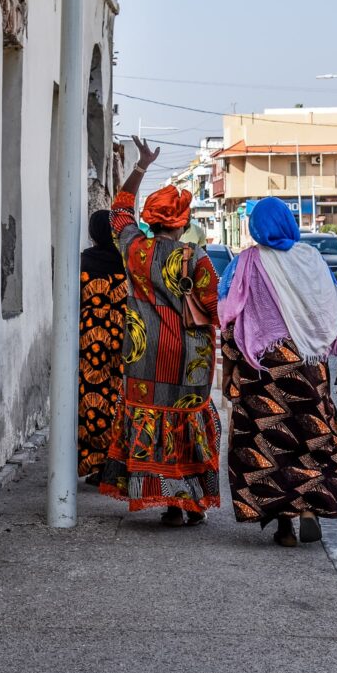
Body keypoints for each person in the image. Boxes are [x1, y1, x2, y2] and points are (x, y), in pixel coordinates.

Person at [218, 196, 337, 547]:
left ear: (255, 228)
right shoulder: (311, 260)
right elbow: (333, 308)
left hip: (263, 369)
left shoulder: (247, 262)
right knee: (313, 439)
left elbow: (233, 317)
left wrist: (229, 368)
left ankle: (284, 526)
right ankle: (310, 508)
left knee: (270, 444)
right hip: (310, 366)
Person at [99, 137, 221, 526]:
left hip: (143, 353)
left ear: (151, 221)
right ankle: (187, 501)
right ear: (182, 221)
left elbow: (118, 211)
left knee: (150, 417)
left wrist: (140, 167)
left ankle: (166, 500)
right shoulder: (197, 258)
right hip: (189, 357)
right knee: (185, 422)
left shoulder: (134, 249)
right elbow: (216, 308)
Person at [77, 210, 128, 484]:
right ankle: (120, 463)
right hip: (123, 336)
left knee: (93, 400)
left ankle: (97, 466)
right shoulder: (126, 261)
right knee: (121, 397)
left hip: (92, 337)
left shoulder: (83, 261)